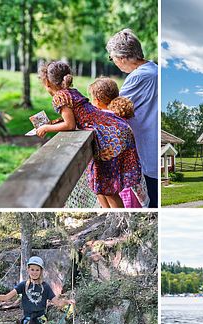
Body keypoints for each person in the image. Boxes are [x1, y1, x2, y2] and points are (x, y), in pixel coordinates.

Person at [35, 61, 142, 208]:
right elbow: (78, 116)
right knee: (106, 187)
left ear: (47, 83)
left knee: (109, 189)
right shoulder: (72, 91)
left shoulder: (60, 97)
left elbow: (70, 125)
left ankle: (120, 217)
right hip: (115, 128)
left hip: (109, 136)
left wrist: (46, 128)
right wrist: (56, 122)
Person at [106, 29, 159, 208]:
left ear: (122, 58)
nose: (114, 63)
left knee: (152, 203)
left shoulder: (139, 77)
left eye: (112, 58)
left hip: (148, 152)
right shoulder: (153, 70)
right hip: (150, 150)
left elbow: (113, 109)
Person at [88, 77, 148, 208]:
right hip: (120, 163)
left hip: (110, 164)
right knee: (104, 191)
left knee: (110, 193)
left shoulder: (104, 118)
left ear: (97, 101)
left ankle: (116, 216)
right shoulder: (116, 115)